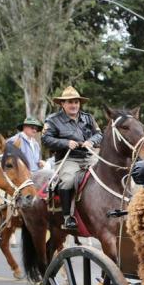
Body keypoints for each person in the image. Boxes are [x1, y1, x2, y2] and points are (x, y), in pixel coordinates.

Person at [41, 86, 102, 229]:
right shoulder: (52, 120)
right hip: (67, 159)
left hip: (89, 156)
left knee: (106, 175)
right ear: (62, 104)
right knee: (68, 181)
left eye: (76, 102)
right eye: (70, 102)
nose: (74, 105)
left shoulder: (88, 118)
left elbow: (99, 134)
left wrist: (91, 141)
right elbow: (45, 139)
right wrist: (65, 143)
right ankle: (68, 217)